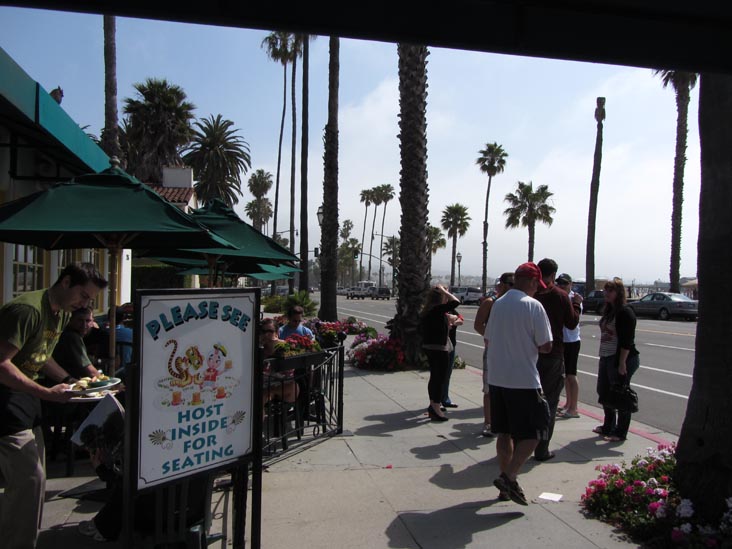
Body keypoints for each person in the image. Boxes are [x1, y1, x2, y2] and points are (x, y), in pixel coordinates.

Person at [0, 262, 108, 549]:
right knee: (29, 479)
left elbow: (41, 355)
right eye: (83, 296)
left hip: (26, 398)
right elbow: (1, 364)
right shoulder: (27, 311)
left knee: (34, 481)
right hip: (6, 398)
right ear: (66, 282)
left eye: (90, 299)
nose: (85, 305)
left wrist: (71, 382)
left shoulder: (60, 314)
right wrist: (46, 393)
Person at [485, 262, 552, 505]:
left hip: (497, 378)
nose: (537, 289)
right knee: (537, 431)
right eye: (537, 285)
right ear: (532, 282)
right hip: (523, 379)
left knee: (504, 433)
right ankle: (509, 476)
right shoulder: (533, 306)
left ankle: (506, 489)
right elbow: (546, 345)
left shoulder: (498, 303)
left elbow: (488, 339)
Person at [532, 258, 582, 461]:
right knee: (550, 403)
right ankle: (541, 449)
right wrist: (576, 305)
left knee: (528, 401)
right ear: (553, 275)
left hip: (531, 354)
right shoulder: (561, 296)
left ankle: (522, 444)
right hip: (553, 355)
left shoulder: (532, 294)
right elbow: (571, 323)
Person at [594, 277, 640, 442]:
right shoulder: (609, 310)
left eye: (610, 290)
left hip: (621, 358)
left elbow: (627, 341)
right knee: (604, 391)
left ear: (619, 293)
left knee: (620, 393)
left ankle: (620, 432)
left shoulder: (625, 312)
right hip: (606, 356)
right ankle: (608, 426)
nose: (606, 293)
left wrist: (621, 363)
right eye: (605, 290)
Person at [473, 272, 514, 437]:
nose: (514, 287)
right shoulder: (490, 302)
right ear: (502, 285)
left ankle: (507, 422)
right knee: (489, 389)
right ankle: (488, 423)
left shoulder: (516, 303)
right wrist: (492, 338)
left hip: (512, 352)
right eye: (511, 284)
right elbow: (478, 325)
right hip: (493, 352)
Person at [420, 285, 460, 421]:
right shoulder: (437, 309)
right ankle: (436, 407)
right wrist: (445, 291)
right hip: (438, 348)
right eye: (444, 295)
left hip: (430, 347)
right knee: (440, 379)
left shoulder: (429, 310)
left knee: (435, 377)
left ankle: (433, 405)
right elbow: (456, 302)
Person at [556, 273, 582, 419]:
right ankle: (568, 403)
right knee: (565, 375)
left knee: (571, 375)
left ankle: (574, 408)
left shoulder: (574, 299)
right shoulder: (561, 297)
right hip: (562, 340)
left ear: (571, 284)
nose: (562, 286)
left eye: (565, 283)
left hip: (572, 341)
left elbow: (572, 320)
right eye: (559, 283)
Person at [52, 307, 100, 380]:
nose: (84, 325)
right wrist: (107, 382)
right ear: (71, 320)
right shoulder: (72, 337)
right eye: (80, 320)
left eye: (88, 321)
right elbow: (90, 371)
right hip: (63, 383)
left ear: (93, 322)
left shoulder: (71, 334)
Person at [260, 318, 299, 406]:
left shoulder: (285, 347)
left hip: (285, 386)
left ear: (277, 333)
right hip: (265, 386)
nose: (266, 334)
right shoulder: (259, 349)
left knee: (263, 395)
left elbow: (289, 373)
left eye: (270, 331)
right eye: (263, 331)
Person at [440, 310, 463, 409]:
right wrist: (450, 319)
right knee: (438, 375)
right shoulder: (437, 309)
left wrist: (454, 322)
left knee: (447, 374)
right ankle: (436, 401)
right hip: (440, 346)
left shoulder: (453, 310)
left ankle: (445, 399)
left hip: (451, 346)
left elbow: (460, 320)